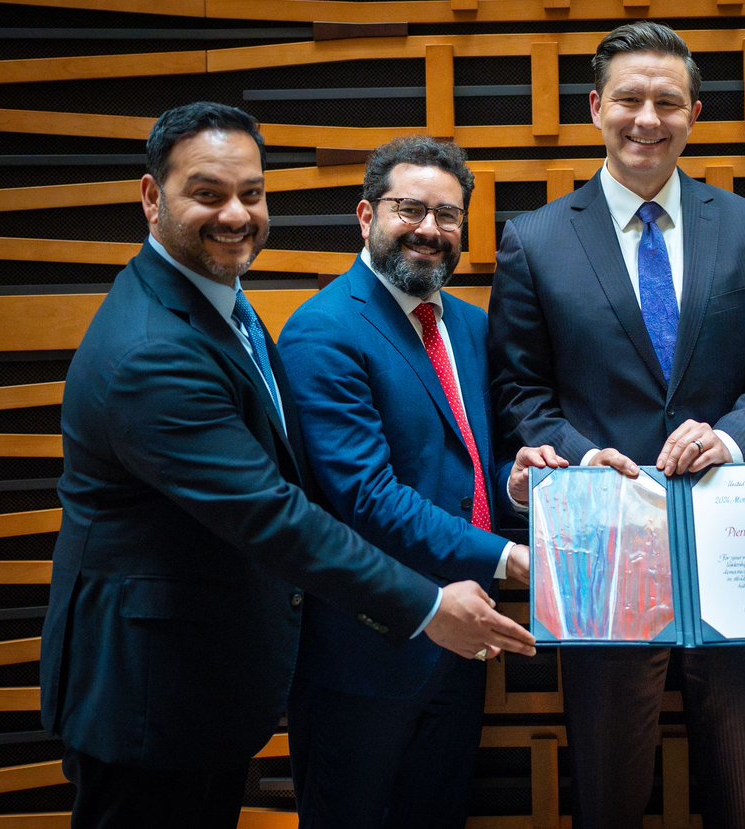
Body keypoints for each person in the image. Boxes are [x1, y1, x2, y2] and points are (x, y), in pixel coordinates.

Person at [39, 102, 535, 829]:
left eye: (251, 193)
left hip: (208, 667)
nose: (235, 214)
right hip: (148, 685)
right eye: (207, 193)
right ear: (152, 197)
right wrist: (432, 602)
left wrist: (513, 489)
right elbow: (277, 511)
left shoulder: (223, 308)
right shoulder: (157, 350)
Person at [488, 22, 745, 829]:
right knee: (607, 790)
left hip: (736, 550)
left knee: (743, 791)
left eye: (668, 101)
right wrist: (574, 454)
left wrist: (729, 438)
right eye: (628, 98)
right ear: (596, 107)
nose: (646, 118)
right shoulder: (534, 239)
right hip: (602, 547)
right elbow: (519, 387)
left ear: (694, 113)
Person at [278, 136, 565, 827]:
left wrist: (516, 487)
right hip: (364, 651)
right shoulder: (324, 331)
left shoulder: (466, 324)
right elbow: (366, 495)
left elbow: (464, 466)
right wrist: (505, 555)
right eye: (411, 210)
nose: (431, 230)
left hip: (462, 646)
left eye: (448, 216)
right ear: (366, 215)